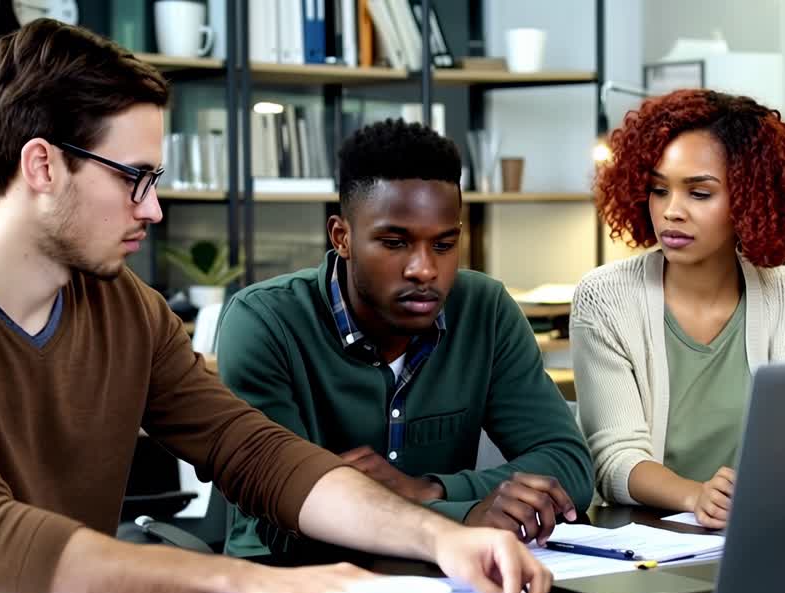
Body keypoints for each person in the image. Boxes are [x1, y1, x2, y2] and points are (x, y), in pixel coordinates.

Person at [0, 19, 550, 593]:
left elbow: (255, 452)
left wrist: (443, 539)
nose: (152, 209)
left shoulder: (128, 311)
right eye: (132, 177)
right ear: (42, 165)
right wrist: (239, 584)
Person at [215, 119, 594, 557]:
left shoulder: (484, 309)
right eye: (395, 243)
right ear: (343, 237)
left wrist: (428, 490)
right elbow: (284, 517)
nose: (424, 269)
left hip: (446, 582)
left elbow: (570, 468)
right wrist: (462, 517)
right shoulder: (264, 322)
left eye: (444, 245)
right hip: (285, 585)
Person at [571, 89, 785, 530]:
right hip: (649, 544)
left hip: (769, 533)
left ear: (749, 201)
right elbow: (614, 459)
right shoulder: (605, 298)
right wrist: (698, 497)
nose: (672, 212)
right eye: (659, 190)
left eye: (699, 193)